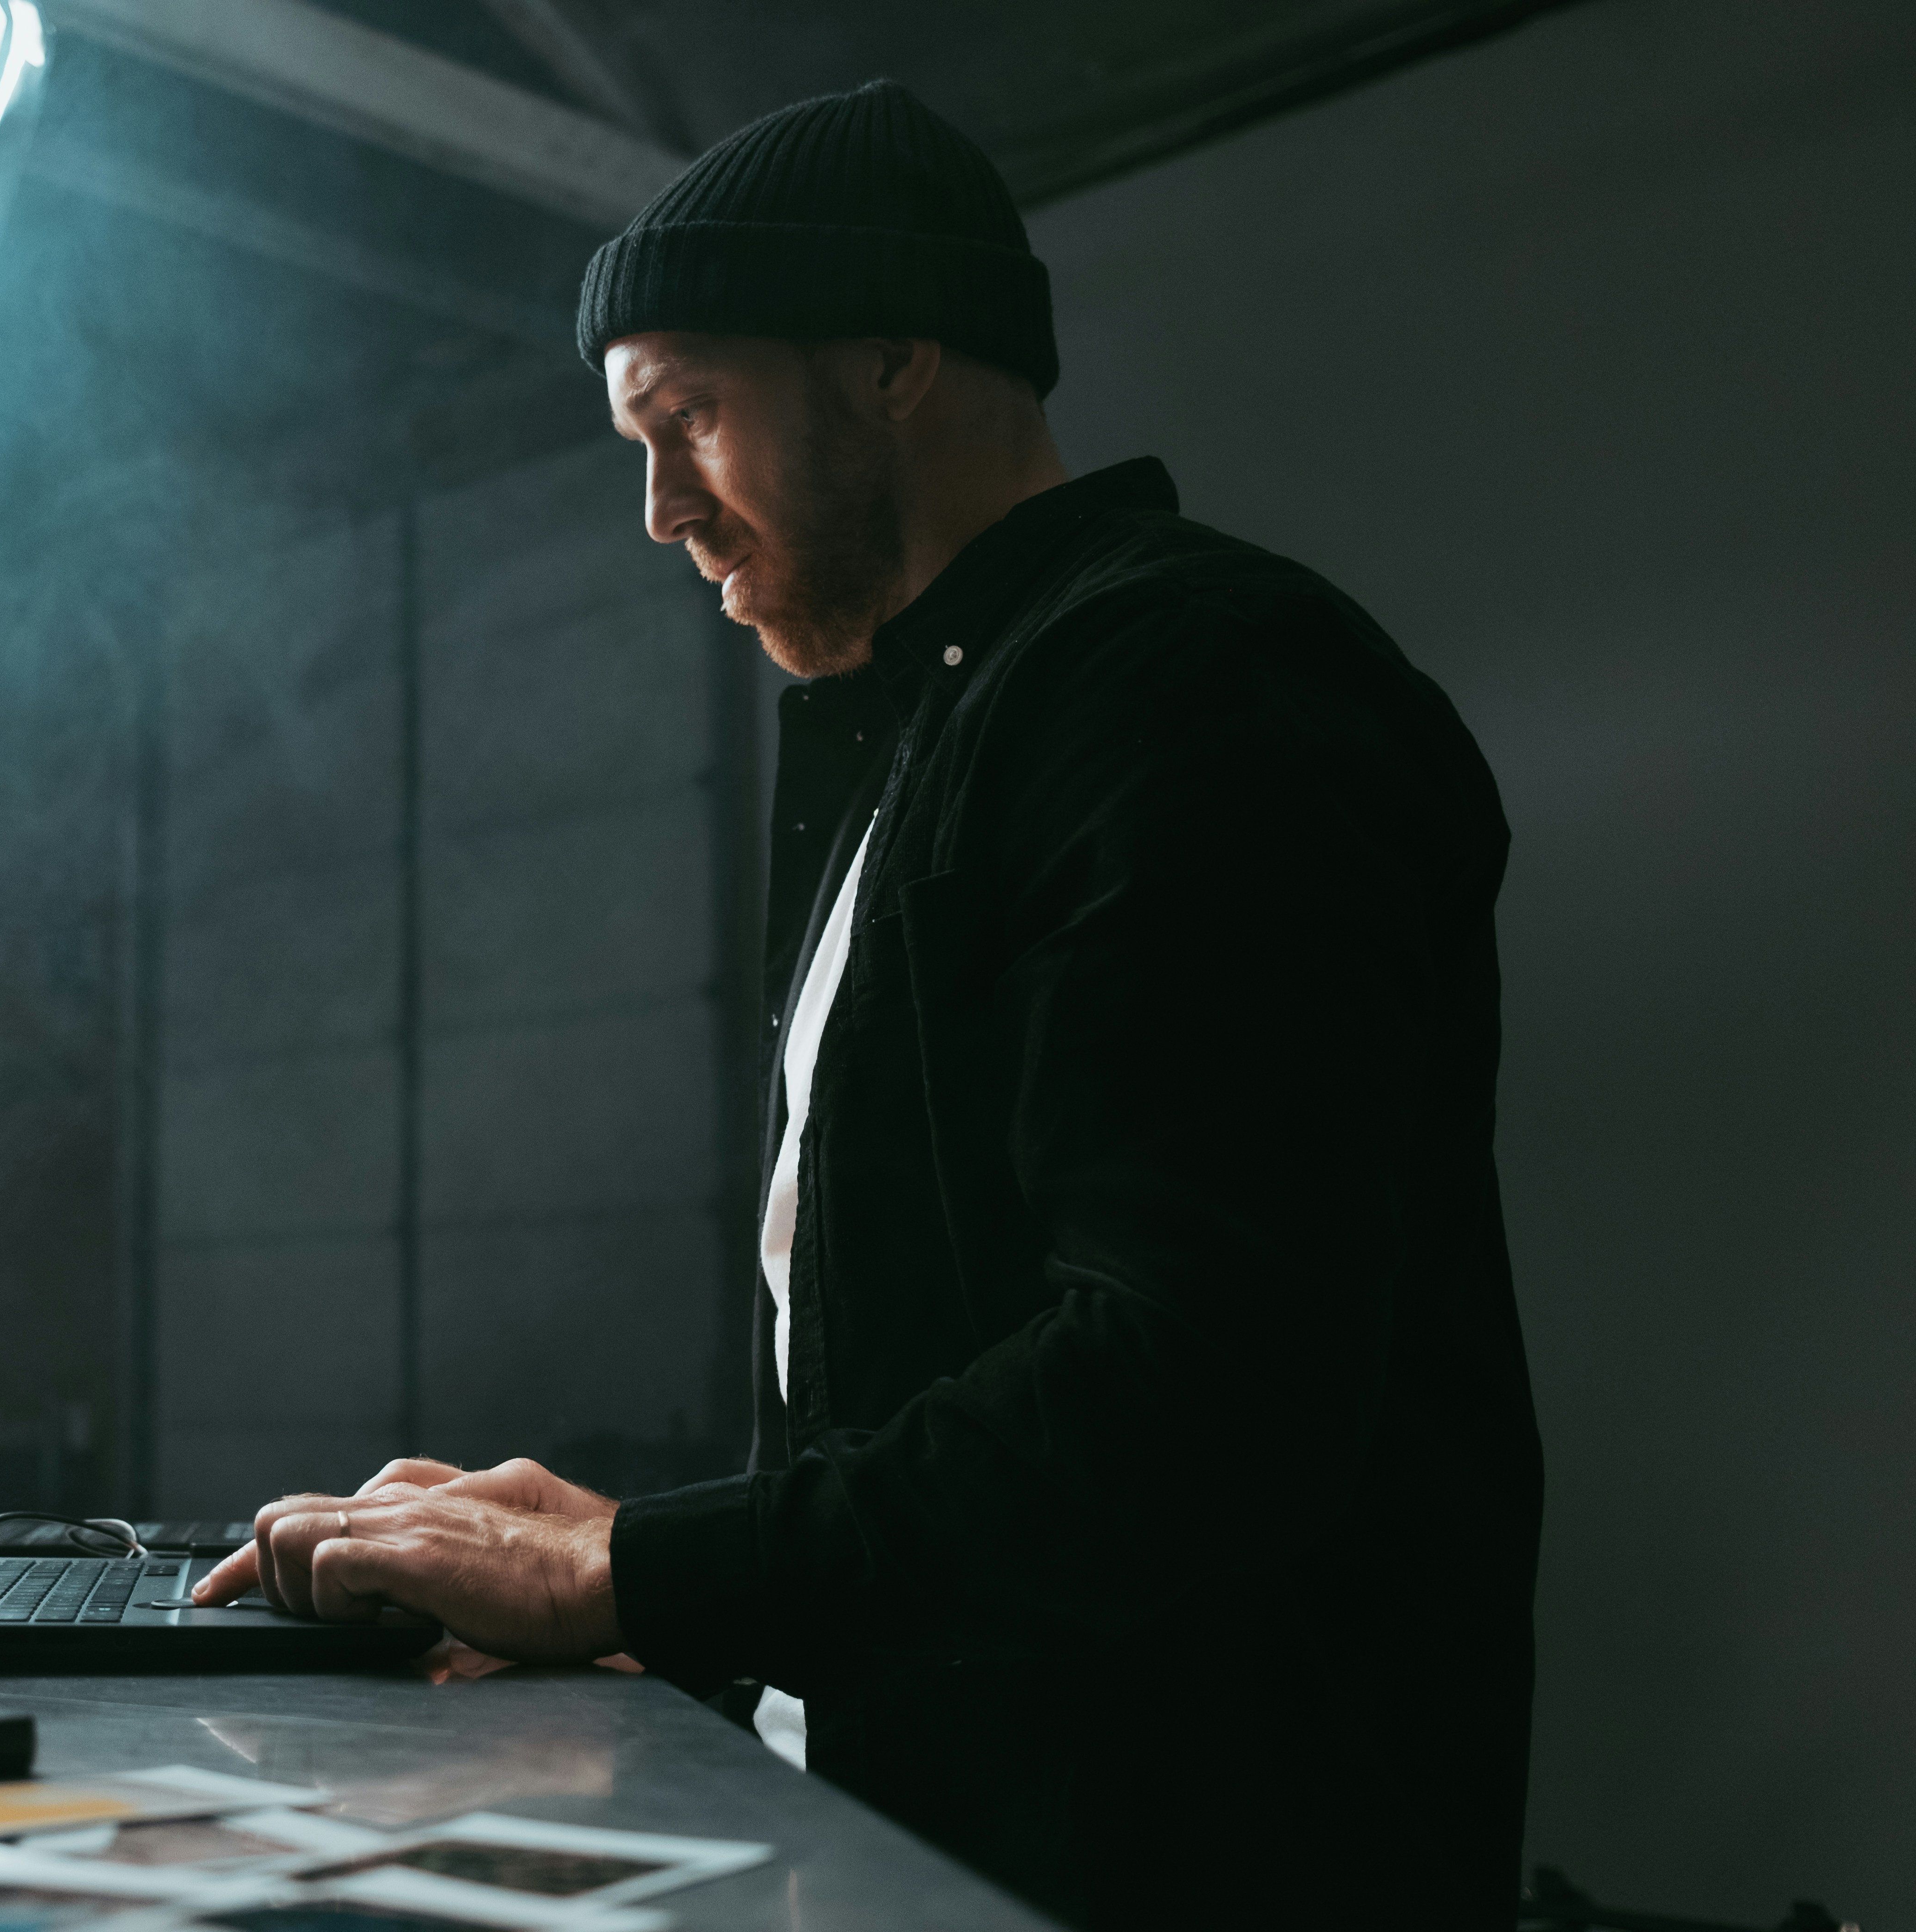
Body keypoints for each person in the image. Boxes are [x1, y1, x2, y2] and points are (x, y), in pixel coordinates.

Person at [192, 78, 1541, 1929]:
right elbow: (931, 1387)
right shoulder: (938, 733)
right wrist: (633, 1575)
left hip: (1170, 1863)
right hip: (927, 1832)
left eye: (691, 418)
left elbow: (1199, 1386)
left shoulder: (1193, 687)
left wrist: (638, 1569)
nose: (660, 509)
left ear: (901, 362)